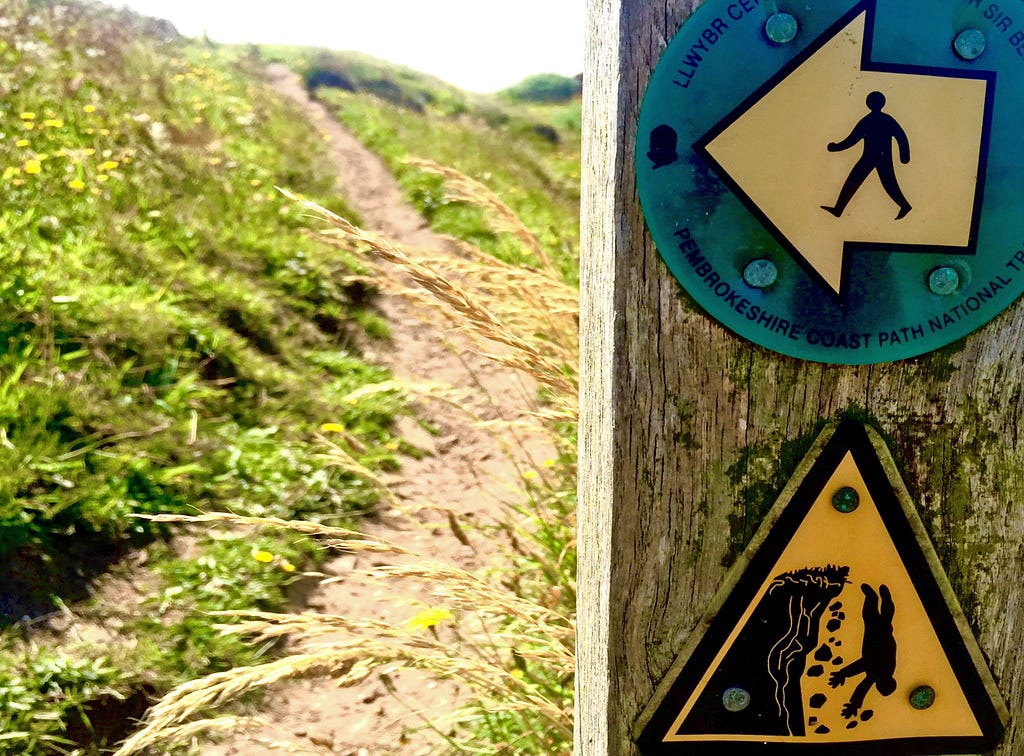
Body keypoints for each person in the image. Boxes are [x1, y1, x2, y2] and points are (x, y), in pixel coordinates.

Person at [821, 91, 912, 220]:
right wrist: (836, 147)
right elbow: (853, 138)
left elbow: (900, 136)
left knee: (889, 184)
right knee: (855, 180)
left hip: (881, 158)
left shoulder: (880, 120)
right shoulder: (871, 120)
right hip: (869, 157)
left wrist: (905, 155)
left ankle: (905, 205)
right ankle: (838, 208)